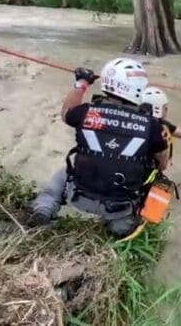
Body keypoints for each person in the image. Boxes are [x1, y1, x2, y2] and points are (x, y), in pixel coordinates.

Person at [26, 58, 169, 239]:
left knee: (63, 174)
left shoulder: (87, 113)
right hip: (119, 206)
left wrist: (82, 83)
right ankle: (120, 227)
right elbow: (162, 163)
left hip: (79, 194)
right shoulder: (152, 126)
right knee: (141, 195)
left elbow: (66, 112)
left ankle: (44, 209)